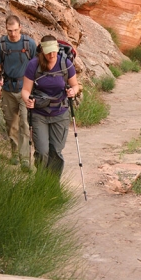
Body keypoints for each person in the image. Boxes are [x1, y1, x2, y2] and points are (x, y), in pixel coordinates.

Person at [21, 35, 80, 177]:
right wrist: (27, 100)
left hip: (60, 113)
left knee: (56, 151)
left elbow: (75, 85)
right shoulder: (33, 65)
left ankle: (53, 184)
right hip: (39, 114)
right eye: (48, 52)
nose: (51, 55)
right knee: (42, 152)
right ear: (42, 51)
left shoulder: (65, 64)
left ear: (57, 49)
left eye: (54, 51)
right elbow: (25, 90)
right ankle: (40, 181)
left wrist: (73, 91)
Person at [0, 15, 37, 169]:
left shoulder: (29, 43)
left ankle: (25, 157)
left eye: (15, 30)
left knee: (25, 123)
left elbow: (36, 65)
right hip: (7, 90)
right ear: (6, 29)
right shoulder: (1, 45)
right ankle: (14, 153)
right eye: (9, 30)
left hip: (25, 89)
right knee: (11, 123)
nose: (12, 33)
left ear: (20, 28)